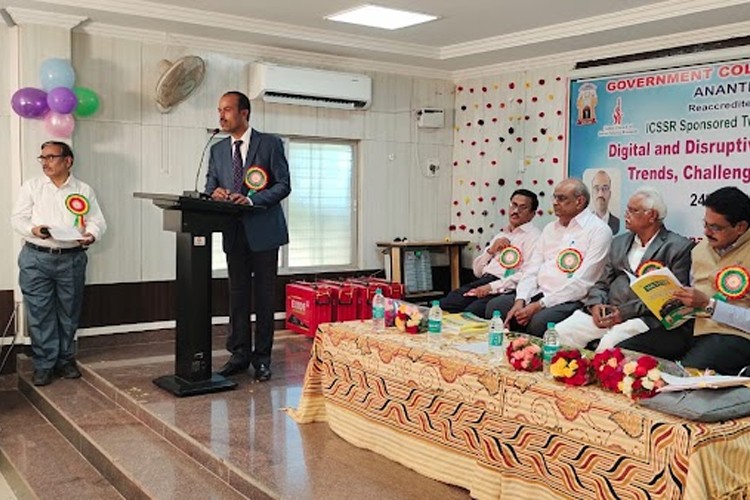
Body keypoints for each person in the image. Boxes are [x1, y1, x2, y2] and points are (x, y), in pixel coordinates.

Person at [206, 91, 291, 382]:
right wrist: (214, 192)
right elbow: (210, 184)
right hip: (234, 232)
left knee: (264, 297)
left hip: (264, 231)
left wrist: (253, 201)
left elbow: (283, 185)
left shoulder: (270, 143)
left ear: (244, 113)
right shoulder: (217, 149)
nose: (221, 115)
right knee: (237, 296)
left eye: (227, 110)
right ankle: (239, 355)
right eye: (219, 110)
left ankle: (263, 359)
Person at [555, 187, 694, 359]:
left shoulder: (678, 247)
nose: (626, 214)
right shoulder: (618, 242)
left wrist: (624, 313)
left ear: (652, 216)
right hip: (606, 313)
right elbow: (602, 283)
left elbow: (671, 298)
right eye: (626, 209)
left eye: (633, 210)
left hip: (642, 318)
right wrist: (596, 305)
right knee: (561, 332)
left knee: (609, 345)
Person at [11, 141, 107, 386]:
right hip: (36, 257)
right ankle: (44, 364)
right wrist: (35, 229)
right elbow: (17, 219)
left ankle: (65, 360)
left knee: (69, 311)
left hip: (71, 259)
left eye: (51, 157)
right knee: (40, 313)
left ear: (68, 160)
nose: (45, 162)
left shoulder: (83, 189)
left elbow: (97, 221)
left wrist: (92, 235)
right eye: (42, 158)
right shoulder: (32, 187)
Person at [487, 178, 612, 336]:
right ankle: (509, 355)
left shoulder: (599, 230)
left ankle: (530, 357)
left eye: (561, 198)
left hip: (571, 299)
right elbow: (532, 270)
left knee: (539, 323)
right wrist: (521, 300)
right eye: (554, 197)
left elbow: (583, 283)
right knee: (496, 307)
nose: (555, 202)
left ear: (579, 201)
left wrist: (539, 305)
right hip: (539, 292)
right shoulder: (549, 229)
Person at [672, 187, 750, 375]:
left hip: (734, 335)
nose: (706, 232)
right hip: (693, 327)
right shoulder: (699, 250)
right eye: (705, 224)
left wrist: (709, 305)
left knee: (688, 376)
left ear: (740, 227)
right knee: (630, 353)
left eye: (715, 227)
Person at [440, 190, 541, 316]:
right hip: (484, 280)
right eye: (513, 205)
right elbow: (477, 271)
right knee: (448, 303)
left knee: (471, 313)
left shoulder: (534, 237)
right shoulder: (501, 234)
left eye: (523, 207)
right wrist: (491, 250)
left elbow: (526, 274)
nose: (515, 211)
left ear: (532, 214)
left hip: (506, 287)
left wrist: (491, 287)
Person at [591, 170, 620, 235]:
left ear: (610, 194)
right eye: (596, 188)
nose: (600, 194)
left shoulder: (618, 224)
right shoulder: (584, 223)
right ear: (592, 193)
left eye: (605, 188)